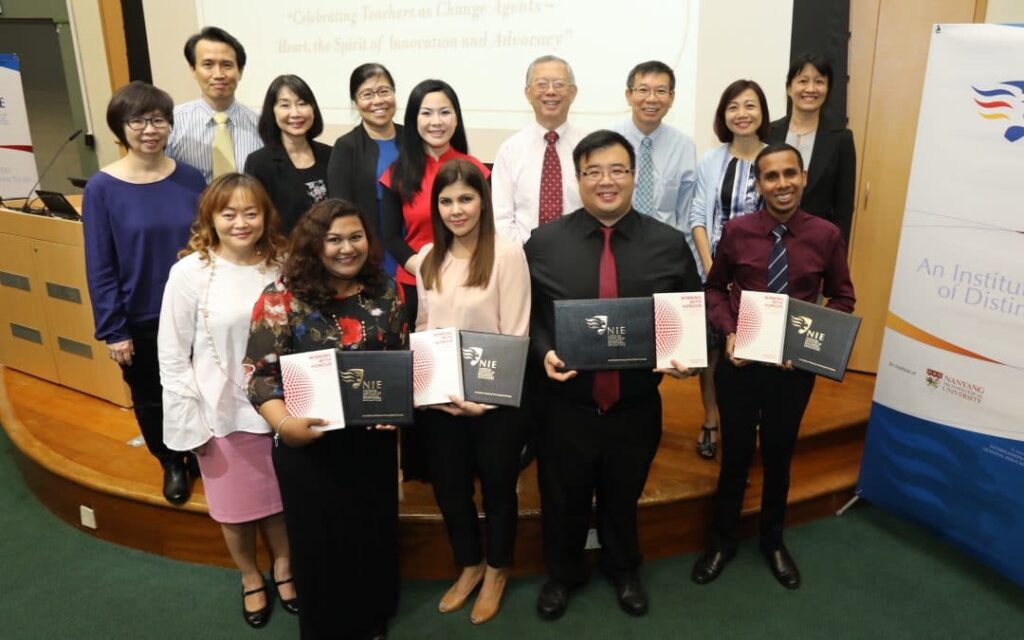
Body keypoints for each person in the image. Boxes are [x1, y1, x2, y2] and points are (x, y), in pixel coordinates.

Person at [525, 130, 702, 619]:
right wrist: (541, 352)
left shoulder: (668, 244)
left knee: (623, 496)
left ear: (633, 176)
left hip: (636, 406)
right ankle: (562, 574)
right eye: (594, 171)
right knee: (563, 498)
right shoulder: (543, 243)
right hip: (566, 406)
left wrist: (687, 357)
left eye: (617, 170)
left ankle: (623, 569)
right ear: (579, 179)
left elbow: (690, 315)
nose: (606, 181)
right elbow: (529, 317)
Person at [690, 143, 855, 591]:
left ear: (802, 177)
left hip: (791, 371)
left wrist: (807, 344)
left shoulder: (826, 235)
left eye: (789, 174)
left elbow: (842, 297)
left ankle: (773, 541)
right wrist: (727, 331)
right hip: (741, 365)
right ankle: (721, 541)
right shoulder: (738, 232)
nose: (781, 184)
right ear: (758, 185)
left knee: (780, 457)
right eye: (771, 177)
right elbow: (715, 289)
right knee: (736, 456)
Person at [245, 199, 408, 640]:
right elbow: (260, 375)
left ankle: (373, 617)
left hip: (370, 442)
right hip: (307, 444)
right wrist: (284, 426)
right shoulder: (280, 298)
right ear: (314, 244)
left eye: (355, 237)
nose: (346, 248)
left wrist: (395, 410)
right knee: (319, 544)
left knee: (371, 535)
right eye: (333, 239)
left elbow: (397, 362)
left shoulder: (387, 291)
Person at [158, 173, 294, 628]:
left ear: (266, 216)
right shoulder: (190, 272)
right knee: (235, 509)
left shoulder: (283, 262)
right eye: (229, 213)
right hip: (220, 410)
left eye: (251, 212)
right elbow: (172, 353)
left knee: (278, 501)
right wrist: (188, 420)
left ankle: (285, 567)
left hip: (281, 407)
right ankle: (250, 575)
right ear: (211, 218)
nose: (241, 222)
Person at [416, 159, 531, 625]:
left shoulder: (506, 254)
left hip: (494, 403)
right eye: (446, 201)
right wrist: (433, 390)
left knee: (499, 489)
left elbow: (517, 331)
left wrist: (487, 399)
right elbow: (425, 328)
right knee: (450, 490)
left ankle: (498, 569)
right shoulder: (429, 257)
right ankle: (470, 564)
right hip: (441, 403)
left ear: (483, 201)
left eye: (466, 198)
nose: (456, 210)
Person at [83, 80, 206, 506]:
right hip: (141, 313)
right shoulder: (102, 188)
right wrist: (113, 329)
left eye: (158, 119)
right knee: (152, 396)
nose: (149, 129)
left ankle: (201, 451)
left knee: (199, 387)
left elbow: (208, 242)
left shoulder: (192, 179)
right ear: (121, 127)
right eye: (137, 120)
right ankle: (172, 461)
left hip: (196, 309)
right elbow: (99, 264)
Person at [687, 79, 770, 460]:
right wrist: (712, 270)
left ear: (762, 113)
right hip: (715, 273)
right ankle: (710, 420)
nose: (742, 113)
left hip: (760, 276)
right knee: (712, 352)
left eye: (750, 105)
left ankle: (746, 423)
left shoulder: (774, 158)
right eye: (733, 106)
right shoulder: (710, 160)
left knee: (752, 351)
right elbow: (699, 217)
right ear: (723, 115)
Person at [379, 78, 489, 325]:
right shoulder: (396, 174)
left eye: (445, 112)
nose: (436, 122)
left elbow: (488, 231)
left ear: (456, 118)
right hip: (417, 283)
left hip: (470, 282)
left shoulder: (476, 171)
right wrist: (423, 267)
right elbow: (391, 237)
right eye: (427, 113)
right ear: (413, 119)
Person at [491, 55, 587, 244]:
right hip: (523, 257)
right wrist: (525, 254)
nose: (550, 91)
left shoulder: (589, 148)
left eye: (559, 84)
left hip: (579, 254)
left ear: (573, 92)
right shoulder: (510, 150)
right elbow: (501, 217)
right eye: (542, 84)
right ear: (528, 93)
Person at [611, 60, 698, 262]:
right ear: (629, 95)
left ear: (671, 97)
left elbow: (685, 213)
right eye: (643, 90)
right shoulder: (610, 141)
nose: (651, 99)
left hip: (665, 252)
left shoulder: (684, 145)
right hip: (617, 249)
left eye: (660, 91)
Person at [768, 53, 856, 244]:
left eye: (819, 82)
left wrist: (836, 258)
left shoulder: (841, 139)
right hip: (768, 239)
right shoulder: (768, 133)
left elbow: (844, 208)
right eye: (803, 81)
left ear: (828, 89)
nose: (811, 89)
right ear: (789, 88)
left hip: (816, 245)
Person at [326, 63, 403, 275]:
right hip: (371, 252)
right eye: (367, 94)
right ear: (355, 102)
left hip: (414, 245)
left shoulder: (414, 139)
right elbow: (340, 210)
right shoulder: (346, 146)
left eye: (384, 92)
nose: (377, 101)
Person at [166, 26, 262, 183]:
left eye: (227, 65)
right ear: (193, 70)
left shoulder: (260, 125)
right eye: (208, 65)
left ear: (240, 71)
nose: (218, 75)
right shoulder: (172, 123)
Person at [244, 75, 331, 235]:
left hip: (331, 253)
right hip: (283, 255)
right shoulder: (259, 162)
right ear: (273, 111)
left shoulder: (331, 155)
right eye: (285, 105)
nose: (295, 113)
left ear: (313, 108)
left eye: (302, 104)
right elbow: (255, 217)